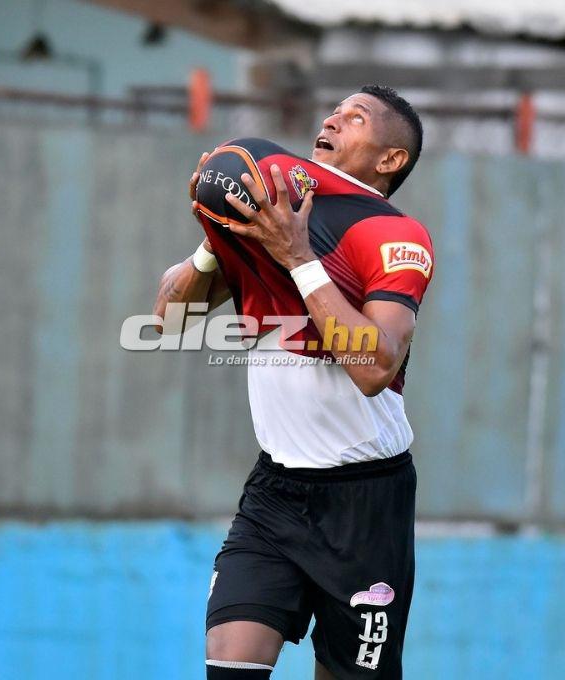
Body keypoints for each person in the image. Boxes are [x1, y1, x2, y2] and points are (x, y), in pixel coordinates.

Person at [153, 85, 432, 680]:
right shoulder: (280, 216)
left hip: (365, 502)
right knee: (229, 667)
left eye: (355, 119)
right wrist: (216, 236)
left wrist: (300, 258)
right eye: (333, 111)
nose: (331, 120)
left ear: (390, 160)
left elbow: (374, 368)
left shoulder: (393, 236)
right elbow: (169, 320)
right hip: (275, 492)